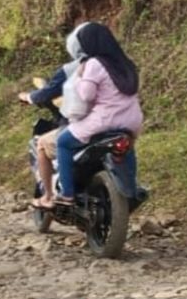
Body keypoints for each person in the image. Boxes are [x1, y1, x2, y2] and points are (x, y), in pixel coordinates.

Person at [54, 22, 142, 205]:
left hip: (106, 119)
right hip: (132, 119)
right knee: (127, 149)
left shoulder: (94, 64)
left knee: (62, 142)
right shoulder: (125, 62)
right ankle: (132, 189)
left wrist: (80, 76)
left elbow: (87, 94)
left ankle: (67, 193)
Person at [20, 22, 90, 209]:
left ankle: (51, 196)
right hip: (120, 123)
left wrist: (28, 97)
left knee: (44, 143)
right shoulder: (116, 65)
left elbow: (47, 92)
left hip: (85, 124)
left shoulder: (73, 69)